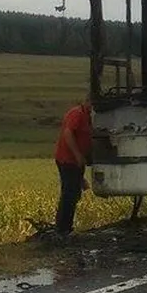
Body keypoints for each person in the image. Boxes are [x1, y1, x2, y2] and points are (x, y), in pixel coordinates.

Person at [53, 95, 93, 236]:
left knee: (74, 193)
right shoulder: (77, 114)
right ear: (87, 102)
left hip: (76, 161)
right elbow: (68, 133)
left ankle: (65, 227)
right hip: (67, 159)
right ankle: (62, 229)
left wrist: (80, 176)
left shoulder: (87, 116)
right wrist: (77, 155)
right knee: (69, 194)